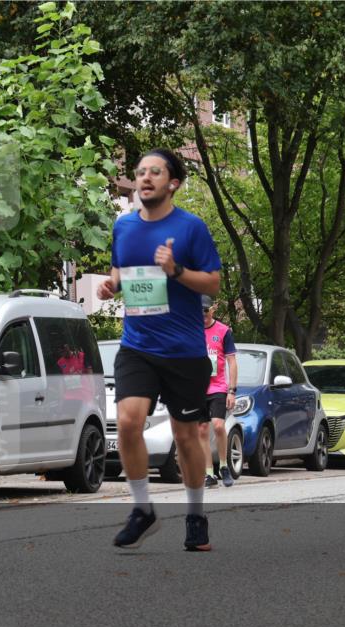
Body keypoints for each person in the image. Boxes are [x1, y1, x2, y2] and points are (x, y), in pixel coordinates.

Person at [96, 148, 221, 552]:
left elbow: (214, 284)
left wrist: (177, 271)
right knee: (129, 422)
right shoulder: (124, 227)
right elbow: (121, 268)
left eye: (155, 172)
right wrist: (111, 284)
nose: (145, 178)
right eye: (140, 172)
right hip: (138, 345)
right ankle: (142, 509)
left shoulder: (190, 228)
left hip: (183, 351)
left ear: (173, 183)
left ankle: (196, 516)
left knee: (186, 438)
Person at [198, 295, 238, 488]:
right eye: (199, 311)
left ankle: (223, 466)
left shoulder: (223, 331)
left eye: (205, 310)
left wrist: (232, 390)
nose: (203, 314)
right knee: (202, 429)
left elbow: (232, 361)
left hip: (218, 387)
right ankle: (209, 474)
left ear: (212, 310)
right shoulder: (191, 331)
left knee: (219, 426)